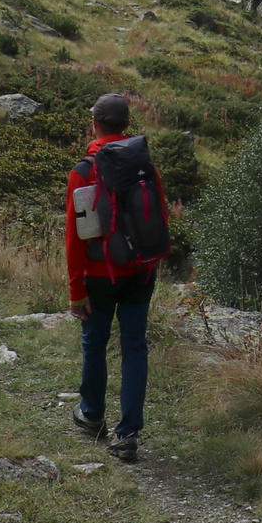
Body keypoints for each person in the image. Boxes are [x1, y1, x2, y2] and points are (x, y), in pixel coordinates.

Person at [65, 91, 167, 462]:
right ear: (127, 124)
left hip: (100, 273)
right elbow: (160, 217)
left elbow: (77, 237)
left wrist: (77, 290)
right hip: (141, 271)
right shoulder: (145, 165)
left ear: (95, 123)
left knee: (95, 343)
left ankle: (92, 415)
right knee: (134, 346)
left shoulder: (84, 171)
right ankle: (127, 436)